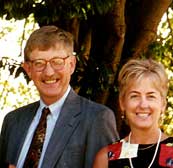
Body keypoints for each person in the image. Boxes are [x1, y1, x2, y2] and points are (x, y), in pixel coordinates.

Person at [0, 25, 119, 168]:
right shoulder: (13, 121)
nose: (49, 72)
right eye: (39, 63)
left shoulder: (97, 119)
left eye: (57, 62)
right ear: (28, 69)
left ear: (72, 65)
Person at [93, 59, 173, 168]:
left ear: (163, 104)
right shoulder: (106, 157)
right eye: (134, 96)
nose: (143, 105)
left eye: (151, 96)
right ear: (122, 103)